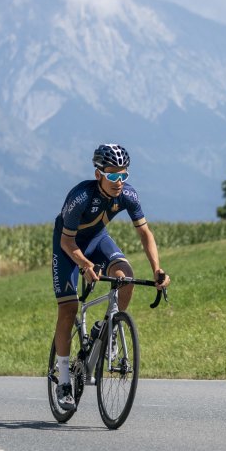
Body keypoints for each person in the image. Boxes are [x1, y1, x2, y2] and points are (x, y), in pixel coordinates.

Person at [51, 143, 170, 410]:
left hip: (98, 239)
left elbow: (145, 234)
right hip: (68, 246)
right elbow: (68, 243)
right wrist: (84, 265)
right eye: (113, 175)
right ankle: (64, 381)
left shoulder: (128, 195)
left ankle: (111, 327)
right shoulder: (80, 197)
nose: (119, 181)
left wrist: (157, 270)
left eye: (123, 175)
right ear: (99, 175)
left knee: (125, 277)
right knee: (69, 309)